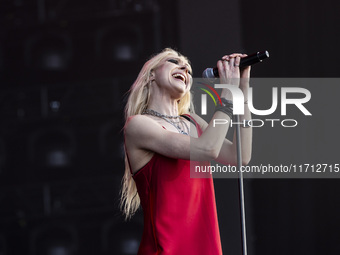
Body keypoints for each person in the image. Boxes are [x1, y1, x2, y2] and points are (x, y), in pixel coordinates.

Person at [120, 48, 252, 254]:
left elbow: (239, 156)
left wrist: (242, 91)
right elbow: (207, 148)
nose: (185, 68)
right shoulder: (138, 125)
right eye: (174, 61)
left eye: (189, 70)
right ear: (151, 75)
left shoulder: (192, 122)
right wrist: (226, 93)